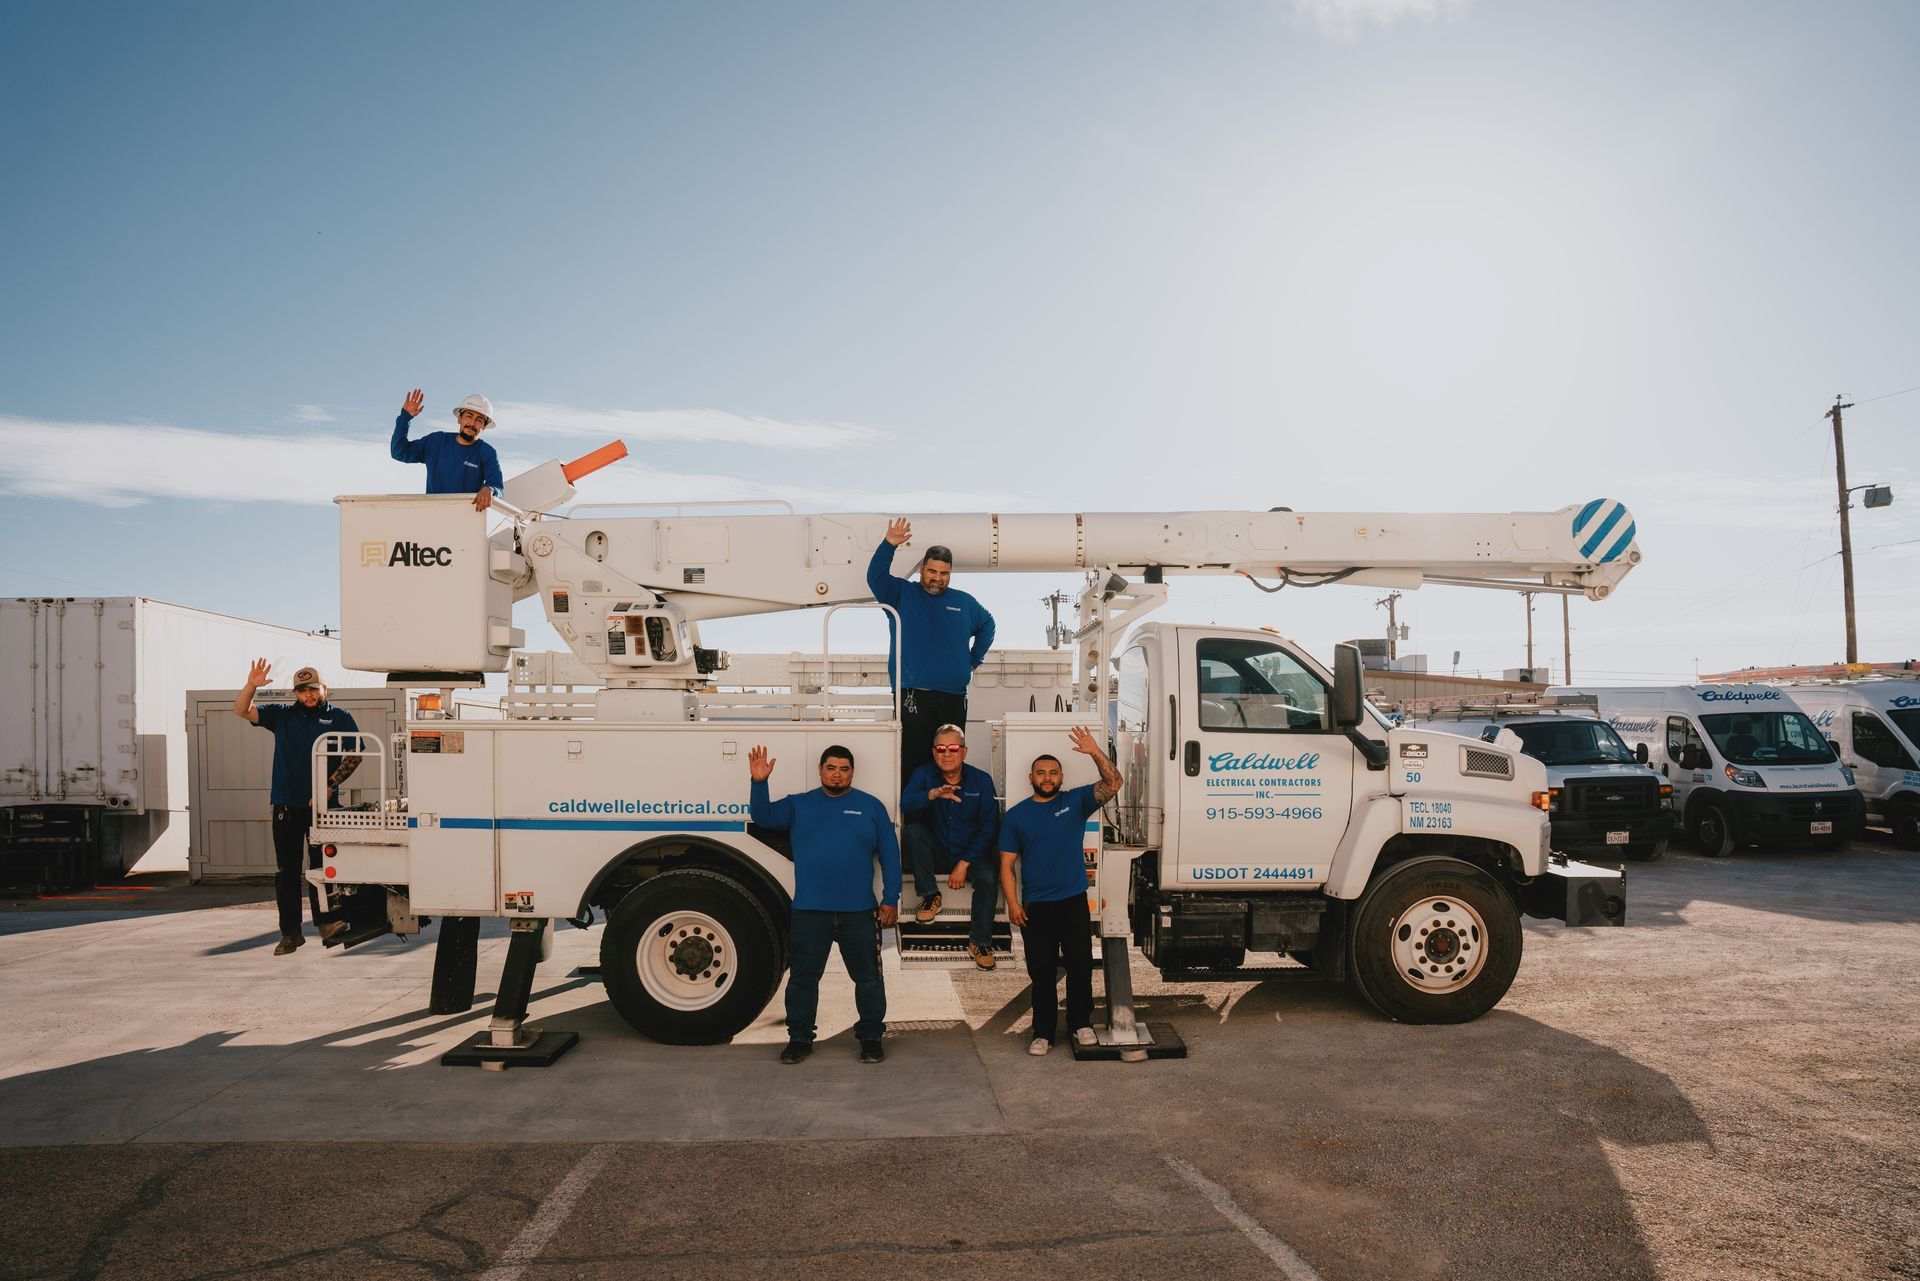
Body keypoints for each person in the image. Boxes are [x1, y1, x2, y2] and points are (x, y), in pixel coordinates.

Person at [748, 743, 901, 1065]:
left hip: (859, 912)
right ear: (820, 770)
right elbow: (762, 816)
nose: (837, 774)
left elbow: (890, 855)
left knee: (869, 979)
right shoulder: (799, 805)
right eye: (831, 767)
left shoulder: (871, 807)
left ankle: (871, 1038)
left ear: (852, 773)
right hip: (810, 911)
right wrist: (759, 782)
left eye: (844, 769)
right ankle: (799, 1039)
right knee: (803, 979)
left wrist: (890, 899)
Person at [998, 726, 1122, 1056]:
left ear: (1061, 776)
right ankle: (1043, 1032)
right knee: (1042, 972)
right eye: (1041, 772)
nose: (1047, 777)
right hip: (1036, 906)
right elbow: (1006, 866)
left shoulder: (1076, 802)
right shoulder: (1016, 816)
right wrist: (1012, 903)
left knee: (1080, 966)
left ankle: (1081, 1025)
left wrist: (1095, 751)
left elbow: (1114, 784)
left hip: (1072, 901)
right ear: (1031, 777)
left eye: (1053, 772)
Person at [234, 661, 361, 956]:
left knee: (323, 869)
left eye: (313, 689)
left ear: (323, 689)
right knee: (287, 871)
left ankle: (326, 923)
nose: (308, 695)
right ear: (296, 693)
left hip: (323, 808)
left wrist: (328, 786)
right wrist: (252, 684)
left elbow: (355, 754)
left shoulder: (339, 717)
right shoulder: (282, 715)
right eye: (302, 691)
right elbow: (241, 710)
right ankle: (291, 933)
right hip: (286, 804)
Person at [867, 517, 995, 781]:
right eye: (932, 571)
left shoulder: (964, 602)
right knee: (914, 760)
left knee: (950, 762)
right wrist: (889, 544)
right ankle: (915, 818)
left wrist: (973, 661)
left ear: (950, 574)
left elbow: (988, 625)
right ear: (922, 568)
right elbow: (875, 577)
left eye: (944, 573)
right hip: (913, 696)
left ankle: (948, 814)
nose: (937, 578)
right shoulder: (901, 593)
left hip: (954, 697)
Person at [899, 724, 1000, 968]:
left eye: (953, 748)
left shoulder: (982, 780)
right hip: (939, 851)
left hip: (972, 855)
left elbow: (989, 827)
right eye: (941, 748)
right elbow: (906, 803)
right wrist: (931, 795)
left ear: (964, 752)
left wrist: (964, 864)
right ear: (934, 753)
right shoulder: (924, 775)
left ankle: (980, 941)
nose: (947, 753)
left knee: (987, 877)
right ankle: (931, 895)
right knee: (913, 832)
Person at [390, 387, 504, 511]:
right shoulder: (436, 442)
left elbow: (496, 485)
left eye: (479, 420)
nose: (472, 423)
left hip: (467, 521)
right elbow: (399, 452)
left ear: (484, 426)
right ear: (459, 418)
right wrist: (405, 418)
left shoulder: (487, 453)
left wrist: (489, 489)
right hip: (433, 516)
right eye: (469, 416)